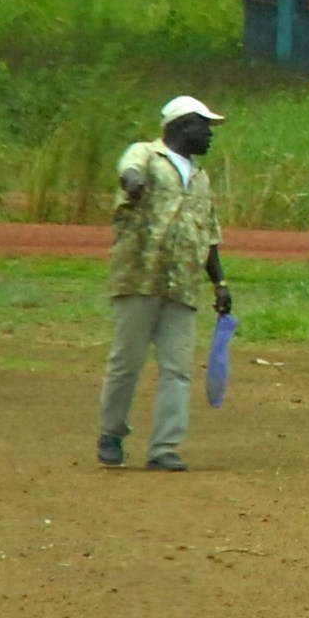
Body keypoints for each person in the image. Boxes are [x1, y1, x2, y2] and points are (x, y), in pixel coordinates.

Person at [98, 95, 232, 472]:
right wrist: (133, 183)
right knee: (127, 361)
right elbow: (129, 169)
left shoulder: (201, 179)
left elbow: (208, 235)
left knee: (178, 367)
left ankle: (164, 446)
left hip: (184, 283)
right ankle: (111, 432)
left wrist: (219, 281)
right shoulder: (145, 155)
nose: (209, 134)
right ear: (180, 126)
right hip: (140, 276)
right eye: (203, 126)